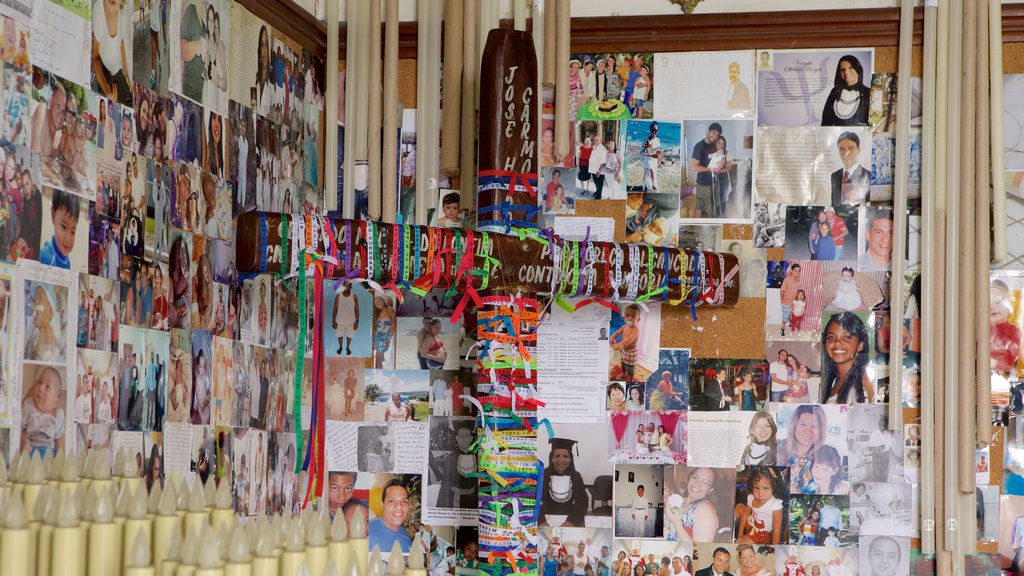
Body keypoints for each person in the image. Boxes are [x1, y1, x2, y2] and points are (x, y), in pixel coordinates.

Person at [820, 311, 875, 403]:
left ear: (860, 345)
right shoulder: (833, 379)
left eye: (846, 337)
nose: (837, 342)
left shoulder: (864, 384)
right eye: (831, 337)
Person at [92, 0, 133, 104]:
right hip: (110, 74)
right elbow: (95, 57)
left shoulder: (121, 17)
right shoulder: (99, 11)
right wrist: (107, 90)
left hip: (120, 73)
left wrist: (126, 73)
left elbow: (121, 43)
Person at [541, 437, 588, 526]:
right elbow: (534, 502)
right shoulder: (543, 475)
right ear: (552, 458)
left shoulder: (576, 477)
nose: (561, 460)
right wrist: (541, 522)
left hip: (570, 519)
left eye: (565, 456)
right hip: (546, 520)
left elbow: (582, 503)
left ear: (570, 459)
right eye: (557, 456)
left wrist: (571, 521)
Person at [779, 404, 828, 489]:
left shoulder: (824, 459)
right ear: (794, 425)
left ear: (821, 430)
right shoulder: (777, 448)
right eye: (803, 424)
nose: (808, 431)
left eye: (814, 426)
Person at [20, 366, 65, 458]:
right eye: (39, 382)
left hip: (48, 453)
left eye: (47, 386)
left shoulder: (58, 414)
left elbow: (59, 440)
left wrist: (60, 459)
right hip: (30, 449)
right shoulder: (29, 405)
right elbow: (19, 427)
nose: (40, 388)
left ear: (56, 402)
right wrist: (22, 439)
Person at [665, 467, 719, 542]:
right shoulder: (679, 501)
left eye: (705, 482)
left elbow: (699, 550)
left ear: (711, 489)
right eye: (695, 477)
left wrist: (676, 524)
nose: (697, 484)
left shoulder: (705, 509)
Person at [735, 466, 783, 545]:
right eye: (756, 488)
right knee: (739, 506)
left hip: (762, 534)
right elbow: (745, 514)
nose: (760, 494)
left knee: (739, 544)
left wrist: (775, 548)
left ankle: (747, 538)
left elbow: (776, 530)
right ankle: (737, 531)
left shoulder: (775, 505)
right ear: (752, 486)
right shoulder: (751, 497)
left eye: (765, 489)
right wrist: (740, 532)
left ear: (773, 488)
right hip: (751, 524)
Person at [821, 55, 870, 127]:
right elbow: (825, 122)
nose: (846, 72)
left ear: (858, 70)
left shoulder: (868, 93)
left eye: (850, 68)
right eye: (842, 69)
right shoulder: (834, 92)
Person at [436, 421, 476, 509]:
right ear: (457, 438)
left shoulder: (477, 457)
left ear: (471, 438)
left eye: (466, 436)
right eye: (461, 436)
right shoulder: (450, 458)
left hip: (473, 499)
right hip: (455, 499)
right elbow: (445, 485)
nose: (464, 439)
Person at [368, 479, 414, 553]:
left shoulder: (405, 534)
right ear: (382, 505)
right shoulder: (366, 531)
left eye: (404, 501)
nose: (399, 507)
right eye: (391, 501)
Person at [39, 188, 79, 269]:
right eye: (64, 227)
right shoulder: (45, 256)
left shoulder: (67, 261)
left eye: (72, 232)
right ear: (53, 215)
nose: (68, 240)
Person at [690, 123, 723, 217]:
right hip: (703, 183)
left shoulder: (714, 145)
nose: (715, 137)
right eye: (713, 133)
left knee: (711, 205)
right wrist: (710, 169)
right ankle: (697, 228)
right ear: (708, 131)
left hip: (714, 181)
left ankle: (711, 224)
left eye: (717, 135)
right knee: (700, 207)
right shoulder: (699, 147)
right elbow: (694, 167)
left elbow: (722, 156)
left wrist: (721, 163)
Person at [830, 132, 870, 206]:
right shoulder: (834, 175)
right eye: (842, 149)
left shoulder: (868, 176)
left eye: (851, 148)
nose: (846, 153)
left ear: (858, 150)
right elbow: (834, 203)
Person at [610, 304, 641, 381]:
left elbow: (629, 339)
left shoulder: (635, 330)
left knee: (630, 368)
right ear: (624, 318)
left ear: (638, 319)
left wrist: (620, 344)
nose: (630, 318)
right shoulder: (624, 327)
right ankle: (623, 374)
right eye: (627, 316)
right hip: (623, 350)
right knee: (623, 364)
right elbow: (618, 332)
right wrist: (612, 337)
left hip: (631, 353)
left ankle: (630, 379)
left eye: (633, 317)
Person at [331, 283, 358, 356]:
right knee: (339, 336)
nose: (346, 288)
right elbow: (335, 309)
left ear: (350, 287)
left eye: (348, 286)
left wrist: (357, 322)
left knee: (350, 336)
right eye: (345, 286)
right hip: (339, 321)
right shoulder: (338, 296)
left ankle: (348, 347)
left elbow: (356, 310)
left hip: (351, 321)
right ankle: (340, 347)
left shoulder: (354, 297)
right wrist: (333, 321)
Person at [372, 296, 396, 369]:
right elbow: (375, 328)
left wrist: (389, 339)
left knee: (379, 356)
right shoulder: (377, 313)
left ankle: (377, 371)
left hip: (385, 337)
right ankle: (378, 372)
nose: (378, 304)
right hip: (377, 337)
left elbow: (393, 324)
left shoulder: (389, 309)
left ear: (383, 301)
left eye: (379, 301)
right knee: (378, 356)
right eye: (376, 303)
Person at [779, 263, 801, 336]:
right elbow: (782, 291)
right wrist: (782, 301)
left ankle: (791, 325)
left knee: (792, 316)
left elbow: (796, 291)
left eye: (798, 271)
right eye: (795, 270)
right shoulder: (787, 279)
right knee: (785, 317)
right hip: (786, 302)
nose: (797, 272)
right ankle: (782, 329)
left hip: (793, 303)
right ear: (791, 270)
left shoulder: (797, 281)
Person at [640, 122, 661, 192]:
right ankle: (645, 189)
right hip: (648, 161)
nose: (654, 132)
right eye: (652, 130)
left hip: (654, 161)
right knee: (647, 175)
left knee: (653, 174)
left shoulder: (658, 140)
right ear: (650, 130)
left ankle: (650, 187)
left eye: (656, 130)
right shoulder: (647, 141)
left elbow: (658, 150)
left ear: (658, 131)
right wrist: (651, 154)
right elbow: (641, 153)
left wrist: (658, 159)